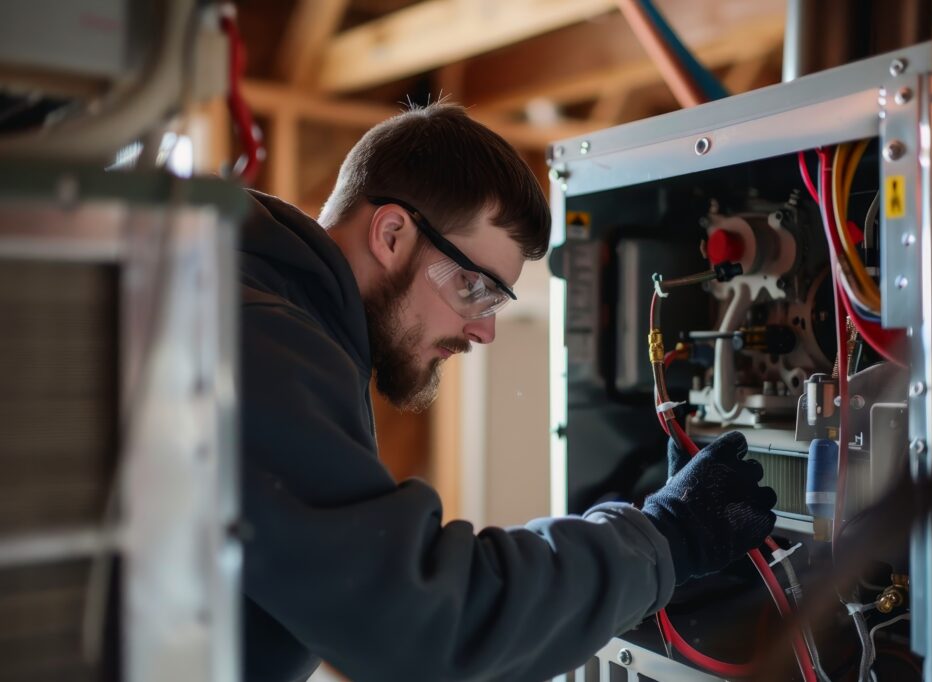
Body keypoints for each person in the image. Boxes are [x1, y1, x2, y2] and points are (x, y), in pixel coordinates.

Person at [239, 101, 777, 682]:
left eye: (497, 302)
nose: (485, 329)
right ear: (391, 234)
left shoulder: (262, 311)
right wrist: (668, 534)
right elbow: (426, 624)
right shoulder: (256, 339)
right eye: (475, 287)